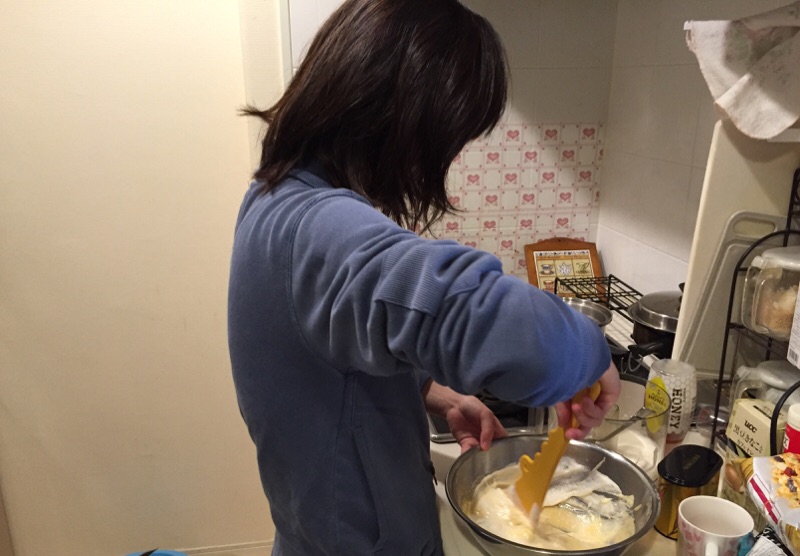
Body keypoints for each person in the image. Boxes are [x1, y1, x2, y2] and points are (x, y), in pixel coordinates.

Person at [227, 0, 621, 554]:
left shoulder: (274, 198)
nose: (442, 163)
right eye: (448, 141)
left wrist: (433, 392)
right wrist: (588, 353)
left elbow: (332, 349)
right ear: (405, 124)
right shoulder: (320, 228)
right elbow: (472, 310)